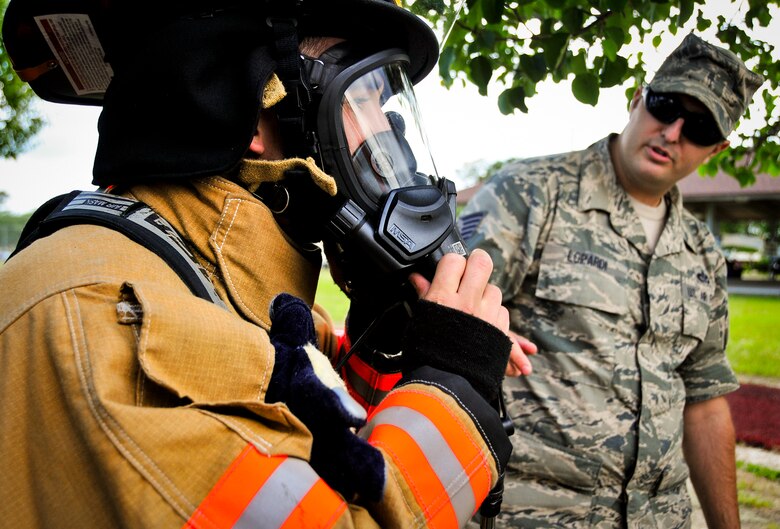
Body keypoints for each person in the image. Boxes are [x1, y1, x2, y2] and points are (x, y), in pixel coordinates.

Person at [0, 0, 525, 527]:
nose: (390, 136)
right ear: (257, 106)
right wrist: (454, 389)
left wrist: (392, 336)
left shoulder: (225, 291)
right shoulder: (113, 318)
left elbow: (335, 442)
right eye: (362, 98)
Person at [460, 33, 764, 528]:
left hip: (660, 517)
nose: (672, 132)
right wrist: (476, 332)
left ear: (717, 148)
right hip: (533, 511)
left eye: (700, 126)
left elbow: (705, 400)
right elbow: (440, 311)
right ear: (637, 99)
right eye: (665, 107)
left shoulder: (702, 253)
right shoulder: (532, 194)